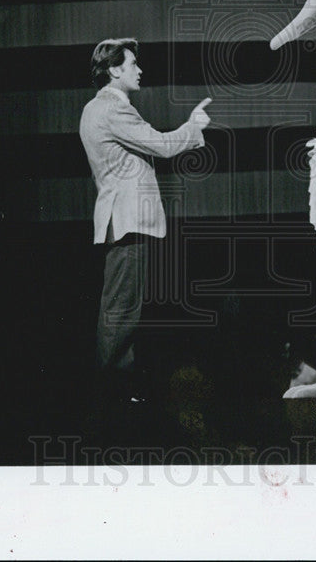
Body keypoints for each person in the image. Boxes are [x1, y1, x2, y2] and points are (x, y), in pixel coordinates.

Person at [79, 38, 211, 402]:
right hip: (127, 220)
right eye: (133, 64)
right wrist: (193, 126)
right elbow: (162, 145)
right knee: (121, 310)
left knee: (121, 307)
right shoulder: (111, 108)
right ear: (114, 69)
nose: (140, 70)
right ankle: (114, 394)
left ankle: (119, 390)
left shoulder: (99, 108)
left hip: (123, 220)